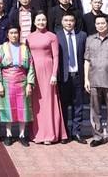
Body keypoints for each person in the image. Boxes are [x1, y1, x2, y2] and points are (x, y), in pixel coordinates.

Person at [84, 14, 108, 149]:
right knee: (95, 109)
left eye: (103, 23)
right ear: (95, 25)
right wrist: (86, 79)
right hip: (93, 78)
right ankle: (97, 135)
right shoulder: (90, 39)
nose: (100, 25)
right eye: (98, 23)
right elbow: (87, 60)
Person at [27, 11, 67, 144]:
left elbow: (56, 56)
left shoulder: (52, 36)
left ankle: (50, 134)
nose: (41, 22)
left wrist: (54, 74)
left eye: (43, 20)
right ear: (34, 22)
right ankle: (36, 134)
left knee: (48, 102)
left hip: (48, 71)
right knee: (36, 103)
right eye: (38, 20)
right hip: (33, 72)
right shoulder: (29, 37)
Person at [0, 24, 36, 147]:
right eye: (11, 33)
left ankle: (22, 134)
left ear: (19, 34)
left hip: (22, 80)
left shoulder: (25, 48)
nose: (14, 35)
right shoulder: (2, 48)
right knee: (8, 108)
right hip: (7, 80)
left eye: (16, 33)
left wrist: (30, 84)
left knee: (22, 107)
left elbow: (30, 67)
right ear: (7, 35)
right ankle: (8, 134)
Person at [56, 11, 88, 144]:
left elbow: (86, 57)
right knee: (63, 106)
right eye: (66, 20)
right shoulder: (56, 35)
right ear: (62, 22)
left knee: (78, 105)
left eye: (71, 20)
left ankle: (76, 132)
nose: (69, 23)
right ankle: (65, 132)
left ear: (75, 22)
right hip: (63, 77)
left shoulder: (82, 36)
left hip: (78, 76)